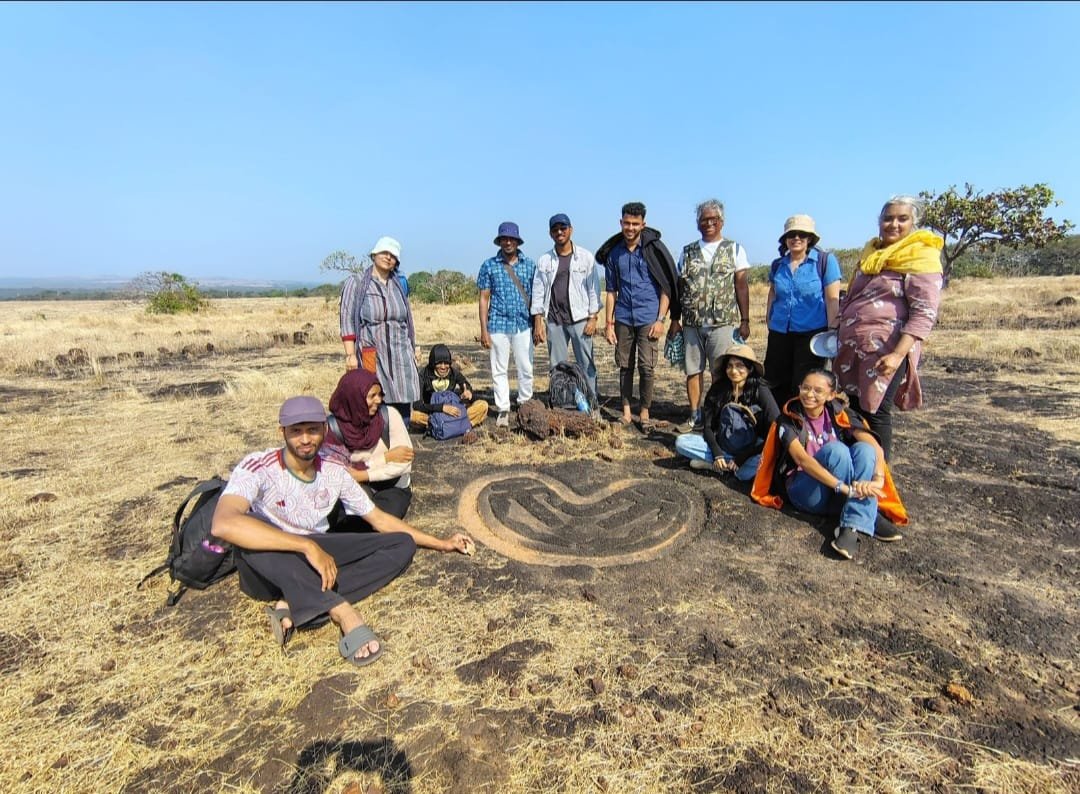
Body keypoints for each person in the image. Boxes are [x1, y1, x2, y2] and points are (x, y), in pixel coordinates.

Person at [211, 396, 472, 666]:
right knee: (255, 529)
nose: (305, 439)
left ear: (325, 429)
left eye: (312, 430)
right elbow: (224, 523)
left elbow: (379, 520)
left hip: (318, 548)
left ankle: (293, 597)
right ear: (282, 432)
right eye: (296, 431)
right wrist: (306, 547)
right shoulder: (259, 466)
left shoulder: (334, 470)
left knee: (402, 544)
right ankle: (340, 609)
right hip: (269, 565)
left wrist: (441, 543)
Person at [751, 369, 907, 561]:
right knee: (837, 450)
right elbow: (803, 460)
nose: (809, 394)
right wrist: (844, 488)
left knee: (864, 450)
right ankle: (866, 513)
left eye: (818, 390)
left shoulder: (841, 413)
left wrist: (877, 479)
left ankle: (850, 525)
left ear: (831, 395)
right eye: (805, 388)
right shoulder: (788, 419)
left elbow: (875, 446)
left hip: (841, 492)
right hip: (807, 491)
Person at [835, 196, 944, 461]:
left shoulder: (921, 257)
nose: (893, 224)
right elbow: (853, 296)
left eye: (902, 218)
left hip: (887, 350)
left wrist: (897, 355)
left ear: (913, 223)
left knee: (877, 409)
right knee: (857, 407)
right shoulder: (871, 253)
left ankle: (879, 479)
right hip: (854, 349)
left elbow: (923, 314)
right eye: (888, 218)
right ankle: (859, 466)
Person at [670, 199, 752, 432]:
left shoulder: (734, 249)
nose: (708, 224)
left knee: (721, 372)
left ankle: (717, 415)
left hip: (722, 323)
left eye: (712, 220)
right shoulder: (687, 252)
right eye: (703, 220)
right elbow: (679, 288)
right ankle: (694, 415)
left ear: (721, 222)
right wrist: (675, 319)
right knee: (693, 371)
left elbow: (741, 285)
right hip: (692, 323)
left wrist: (744, 321)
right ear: (698, 224)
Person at [596, 201, 679, 429]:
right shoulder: (614, 254)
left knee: (646, 367)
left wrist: (661, 319)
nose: (630, 228)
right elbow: (611, 291)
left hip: (648, 318)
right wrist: (609, 323)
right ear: (620, 223)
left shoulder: (653, 251)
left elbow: (666, 288)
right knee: (625, 366)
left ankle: (644, 412)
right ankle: (625, 412)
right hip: (623, 317)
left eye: (635, 223)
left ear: (643, 224)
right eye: (626, 223)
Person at [764, 214, 844, 407]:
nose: (796, 238)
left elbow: (832, 298)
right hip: (780, 332)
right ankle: (777, 425)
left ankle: (801, 426)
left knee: (803, 383)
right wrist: (769, 319)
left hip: (811, 334)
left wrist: (833, 330)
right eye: (792, 234)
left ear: (809, 238)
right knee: (774, 381)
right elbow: (773, 293)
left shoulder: (824, 261)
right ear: (785, 239)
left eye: (802, 234)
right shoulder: (778, 265)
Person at [339, 236, 421, 421]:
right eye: (384, 252)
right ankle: (377, 446)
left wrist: (413, 347)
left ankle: (401, 442)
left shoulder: (399, 284)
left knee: (403, 401)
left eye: (393, 255)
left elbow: (407, 321)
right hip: (373, 352)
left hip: (401, 352)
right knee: (374, 398)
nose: (388, 257)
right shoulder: (357, 283)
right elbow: (346, 320)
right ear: (374, 254)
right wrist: (350, 355)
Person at [674, 344, 779, 481]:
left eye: (740, 365)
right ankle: (727, 465)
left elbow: (776, 426)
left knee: (767, 459)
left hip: (751, 449)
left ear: (750, 368)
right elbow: (708, 427)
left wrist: (743, 457)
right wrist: (717, 453)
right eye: (730, 366)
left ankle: (718, 466)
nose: (734, 371)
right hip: (723, 445)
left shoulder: (760, 390)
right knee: (681, 442)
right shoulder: (718, 390)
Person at [320, 369, 414, 521]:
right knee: (347, 520)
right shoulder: (332, 428)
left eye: (380, 394)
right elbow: (335, 473)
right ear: (353, 398)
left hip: (392, 484)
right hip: (353, 486)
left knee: (385, 519)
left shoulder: (388, 416)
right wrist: (385, 458)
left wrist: (362, 474)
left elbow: (403, 463)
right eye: (372, 396)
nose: (379, 400)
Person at [531, 213, 601, 400]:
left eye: (563, 228)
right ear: (550, 233)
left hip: (580, 319)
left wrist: (593, 317)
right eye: (555, 230)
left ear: (571, 229)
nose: (559, 232)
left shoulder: (585, 257)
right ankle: (561, 405)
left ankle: (592, 405)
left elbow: (594, 290)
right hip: (555, 321)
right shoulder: (545, 260)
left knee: (586, 365)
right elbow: (538, 293)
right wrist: (538, 320)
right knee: (557, 366)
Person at [478, 222, 536, 428]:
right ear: (499, 241)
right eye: (504, 238)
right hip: (497, 323)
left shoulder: (530, 265)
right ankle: (503, 408)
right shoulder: (489, 265)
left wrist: (539, 323)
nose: (508, 242)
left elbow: (536, 297)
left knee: (525, 367)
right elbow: (484, 298)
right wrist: (484, 329)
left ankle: (525, 403)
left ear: (518, 241)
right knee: (499, 369)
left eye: (511, 238)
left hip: (523, 323)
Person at [410, 343, 490, 429]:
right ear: (433, 363)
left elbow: (465, 385)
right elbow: (417, 405)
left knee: (483, 405)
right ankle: (457, 425)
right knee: (412, 416)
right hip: (433, 413)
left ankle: (445, 427)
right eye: (439, 363)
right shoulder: (422, 376)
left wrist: (468, 393)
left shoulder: (453, 372)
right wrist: (442, 408)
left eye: (446, 363)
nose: (443, 367)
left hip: (454, 412)